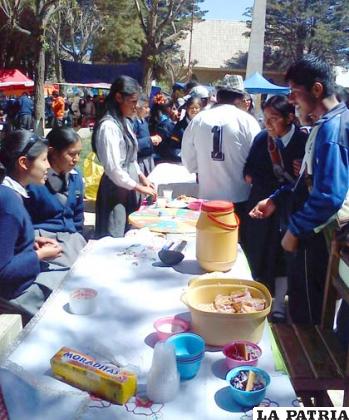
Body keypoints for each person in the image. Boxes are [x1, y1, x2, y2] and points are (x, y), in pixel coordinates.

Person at [250, 55, 349, 335]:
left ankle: (308, 372)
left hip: (315, 239)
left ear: (316, 90)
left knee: (307, 314)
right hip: (311, 233)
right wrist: (278, 198)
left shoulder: (332, 129)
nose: (291, 99)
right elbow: (306, 181)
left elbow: (329, 195)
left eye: (294, 91)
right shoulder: (327, 123)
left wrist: (295, 229)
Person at [244, 95, 307, 322]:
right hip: (262, 205)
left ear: (290, 117)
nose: (268, 124)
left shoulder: (303, 141)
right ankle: (255, 299)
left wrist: (303, 174)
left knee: (284, 255)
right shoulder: (262, 139)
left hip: (289, 208)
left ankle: (279, 304)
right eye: (265, 119)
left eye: (274, 119)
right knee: (258, 251)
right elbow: (248, 170)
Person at [181, 77, 261, 246]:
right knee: (234, 247)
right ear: (239, 98)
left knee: (209, 244)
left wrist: (201, 169)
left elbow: (188, 160)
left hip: (208, 197)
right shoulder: (247, 120)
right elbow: (258, 158)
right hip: (239, 197)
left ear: (218, 95)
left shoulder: (199, 119)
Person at [0, 130, 64, 316]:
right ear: (23, 162)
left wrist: (30, 243)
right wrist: (39, 255)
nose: (48, 167)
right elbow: (2, 271)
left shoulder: (11, 195)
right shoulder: (9, 202)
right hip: (15, 295)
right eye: (44, 160)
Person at [92, 75, 157, 238]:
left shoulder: (125, 122)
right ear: (119, 97)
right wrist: (139, 187)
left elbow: (131, 158)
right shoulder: (108, 127)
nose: (136, 107)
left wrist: (142, 177)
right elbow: (114, 169)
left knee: (130, 232)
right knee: (115, 232)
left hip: (129, 186)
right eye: (133, 102)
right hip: (116, 190)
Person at [25, 127, 86, 268]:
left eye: (79, 154)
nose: (76, 159)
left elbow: (77, 217)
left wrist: (79, 238)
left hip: (72, 240)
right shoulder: (35, 181)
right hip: (45, 241)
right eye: (71, 154)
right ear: (52, 152)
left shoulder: (75, 177)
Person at [132, 94, 162, 176]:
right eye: (145, 107)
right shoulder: (134, 123)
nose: (148, 110)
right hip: (140, 161)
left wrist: (153, 141)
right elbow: (133, 144)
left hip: (148, 159)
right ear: (137, 108)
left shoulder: (143, 121)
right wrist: (149, 140)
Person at [170, 95, 202, 161]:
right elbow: (173, 148)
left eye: (197, 108)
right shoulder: (179, 127)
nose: (194, 110)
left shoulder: (204, 125)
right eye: (191, 107)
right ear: (187, 108)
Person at [149, 93, 178, 161]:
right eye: (173, 108)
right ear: (169, 109)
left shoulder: (149, 119)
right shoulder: (168, 124)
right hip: (165, 158)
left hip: (152, 156)